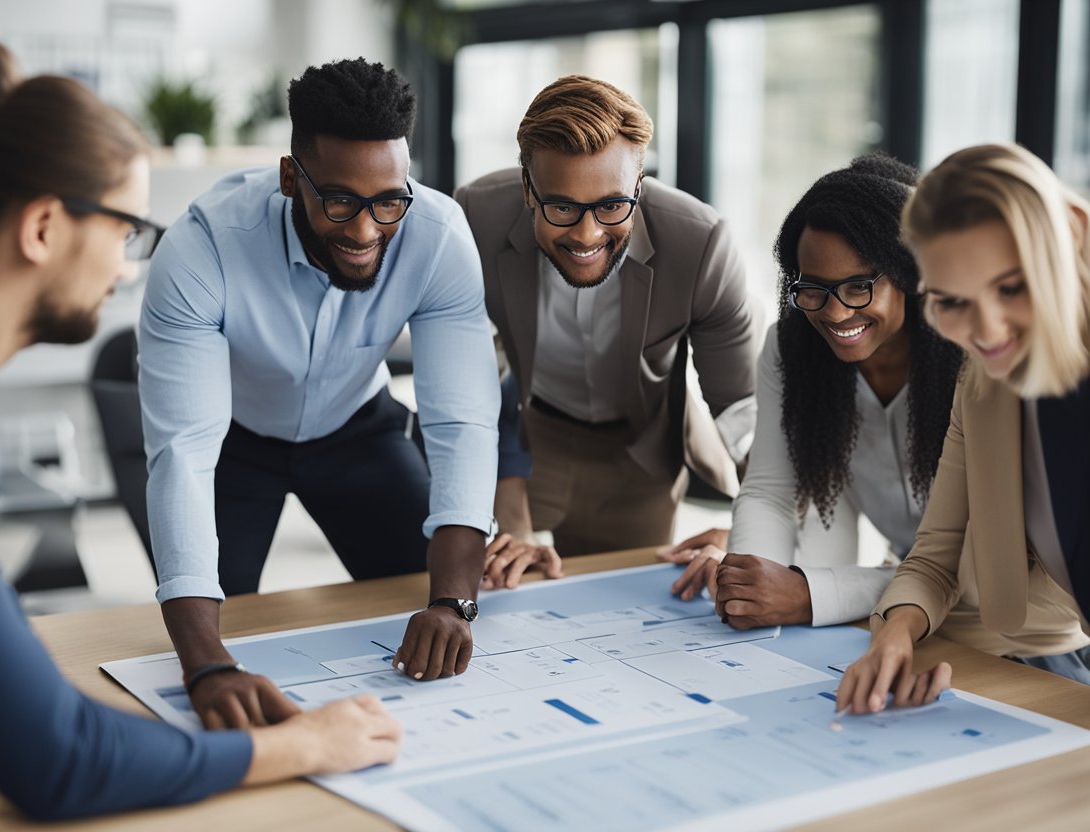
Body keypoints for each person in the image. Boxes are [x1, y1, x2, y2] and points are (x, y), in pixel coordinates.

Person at [0, 34, 401, 827]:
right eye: (126, 232)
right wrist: (304, 745)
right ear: (43, 227)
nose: (129, 268)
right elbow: (58, 760)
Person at [138, 57, 499, 724]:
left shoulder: (438, 236)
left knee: (437, 597)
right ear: (290, 178)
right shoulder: (202, 247)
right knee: (206, 635)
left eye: (388, 201)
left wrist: (454, 603)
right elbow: (183, 453)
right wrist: (205, 665)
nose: (365, 230)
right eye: (339, 200)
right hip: (233, 443)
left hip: (357, 428)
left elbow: (463, 423)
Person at [454, 75, 758, 589]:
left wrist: (755, 531)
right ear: (528, 188)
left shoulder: (701, 243)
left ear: (639, 185)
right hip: (528, 439)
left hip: (639, 456)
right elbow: (472, 377)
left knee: (624, 608)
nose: (587, 234)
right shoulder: (476, 216)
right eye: (562, 207)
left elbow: (741, 410)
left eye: (612, 206)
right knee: (497, 591)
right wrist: (511, 520)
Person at [660, 155, 966, 629]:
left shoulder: (970, 355)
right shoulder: (792, 349)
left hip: (1006, 621)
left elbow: (972, 563)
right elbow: (771, 493)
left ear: (909, 273)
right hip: (905, 609)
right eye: (814, 289)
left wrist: (813, 594)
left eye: (859, 287)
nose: (836, 313)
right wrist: (751, 583)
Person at [838, 143, 1090, 714]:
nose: (988, 330)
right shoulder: (983, 384)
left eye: (1011, 287)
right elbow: (936, 555)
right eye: (952, 301)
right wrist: (894, 636)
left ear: (1071, 232)